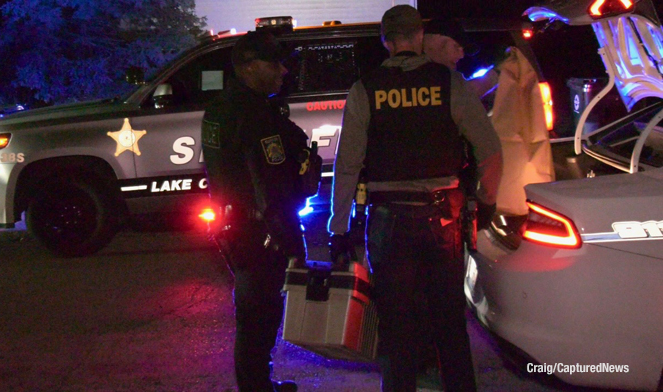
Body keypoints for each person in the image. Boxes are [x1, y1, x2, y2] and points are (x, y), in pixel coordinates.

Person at [328, 5, 502, 392]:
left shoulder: (365, 89)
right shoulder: (449, 83)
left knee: (396, 326)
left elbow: (348, 164)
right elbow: (489, 150)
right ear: (419, 37)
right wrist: (486, 202)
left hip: (389, 222)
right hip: (443, 219)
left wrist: (338, 227)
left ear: (386, 42)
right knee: (449, 323)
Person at [201, 30, 315, 392]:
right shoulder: (254, 114)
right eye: (275, 63)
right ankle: (256, 387)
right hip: (260, 229)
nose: (283, 71)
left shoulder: (222, 107)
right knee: (259, 316)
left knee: (254, 314)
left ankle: (258, 383)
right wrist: (291, 240)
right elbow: (273, 182)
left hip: (236, 226)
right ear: (249, 67)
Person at [423, 17, 500, 98]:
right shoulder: (415, 74)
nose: (461, 55)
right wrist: (496, 75)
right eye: (456, 46)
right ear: (435, 43)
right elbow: (457, 96)